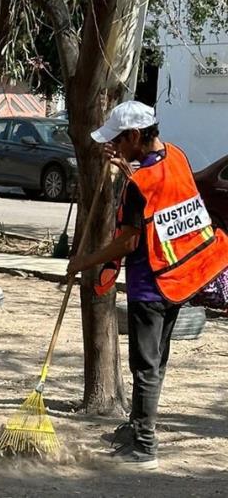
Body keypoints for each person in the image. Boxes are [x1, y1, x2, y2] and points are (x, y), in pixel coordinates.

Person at [67, 101, 228, 470]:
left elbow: (128, 242)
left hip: (151, 285)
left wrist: (83, 262)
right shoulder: (176, 156)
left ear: (136, 136)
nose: (117, 147)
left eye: (120, 141)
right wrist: (127, 169)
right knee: (156, 362)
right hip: (181, 278)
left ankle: (143, 447)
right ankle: (138, 426)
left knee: (145, 366)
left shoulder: (138, 187)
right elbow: (160, 191)